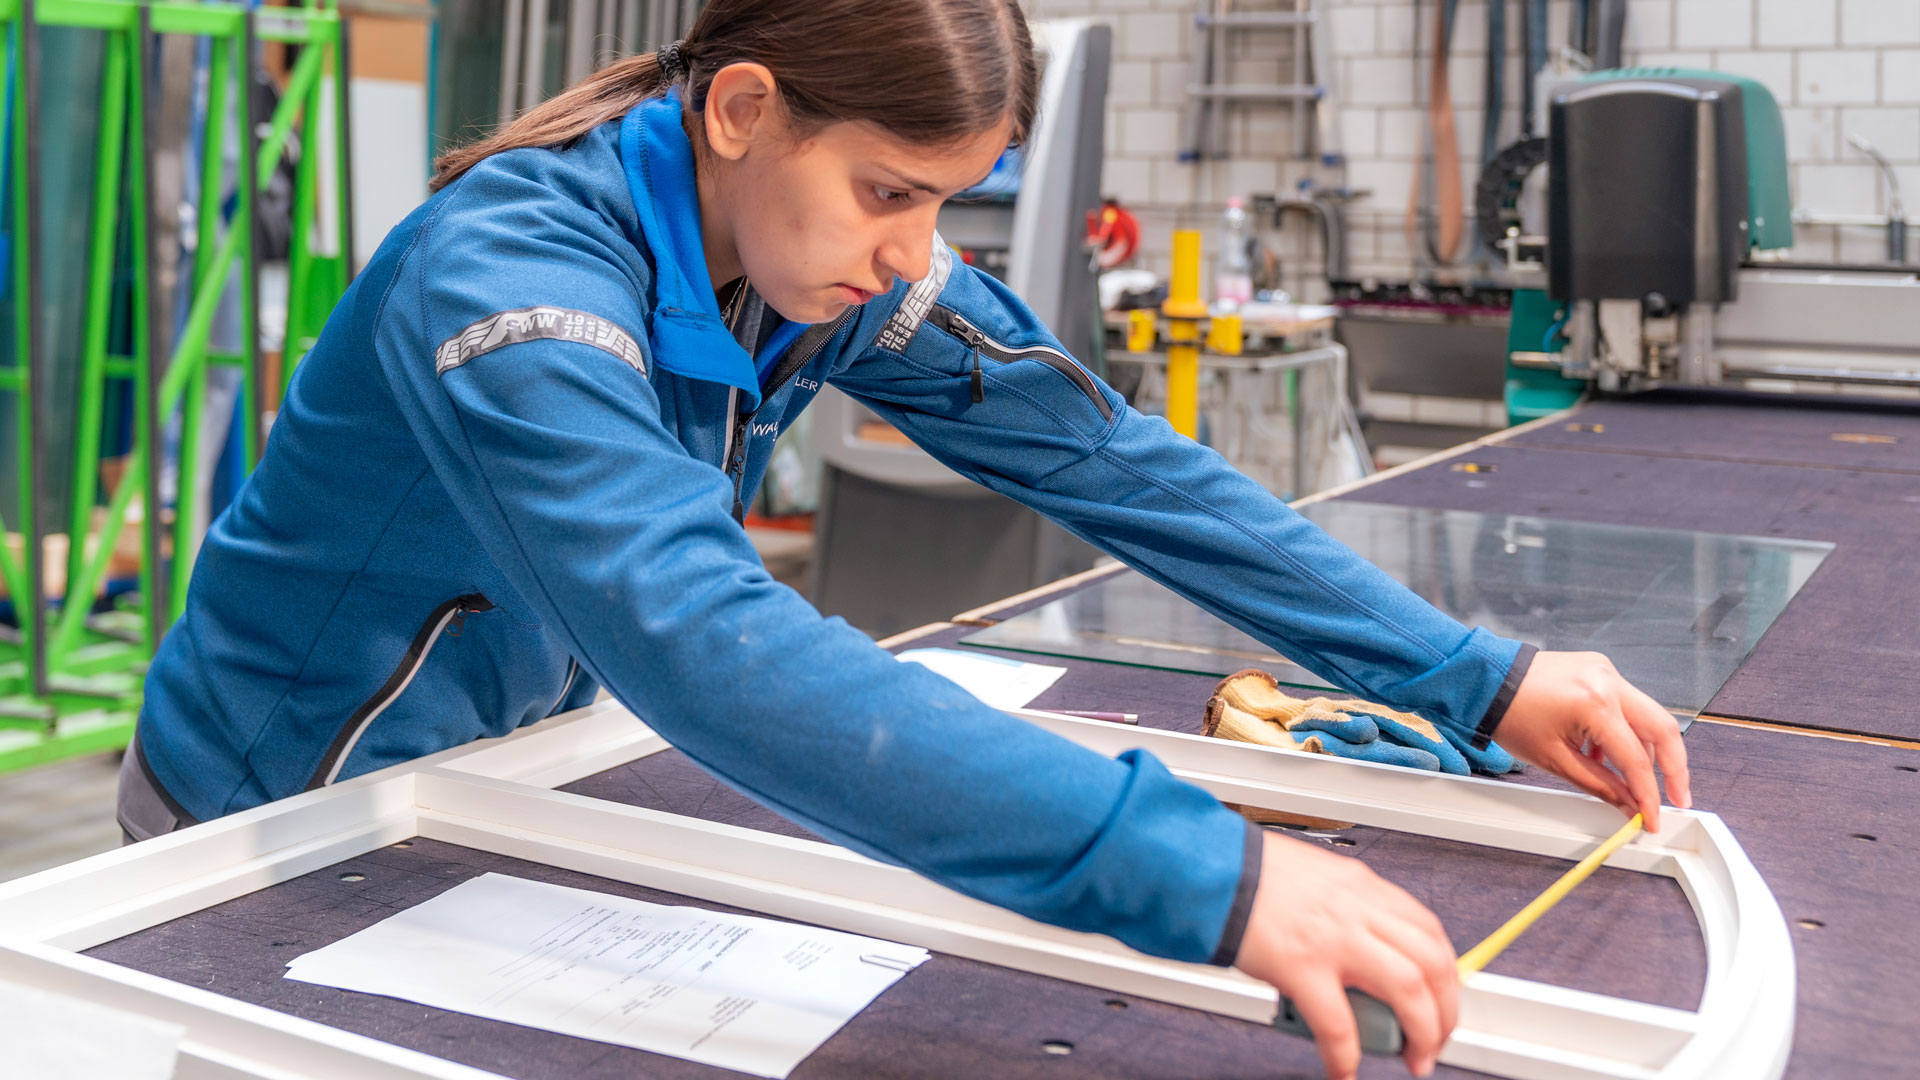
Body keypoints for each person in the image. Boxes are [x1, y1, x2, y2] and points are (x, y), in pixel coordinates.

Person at [118, 1, 1690, 1076]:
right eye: (889, 192)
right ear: (742, 110)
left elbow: (1105, 458)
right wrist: (1198, 871)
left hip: (488, 787)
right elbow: (700, 638)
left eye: (944, 206)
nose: (909, 259)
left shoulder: (795, 259)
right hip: (278, 817)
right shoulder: (512, 279)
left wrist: (1473, 673)